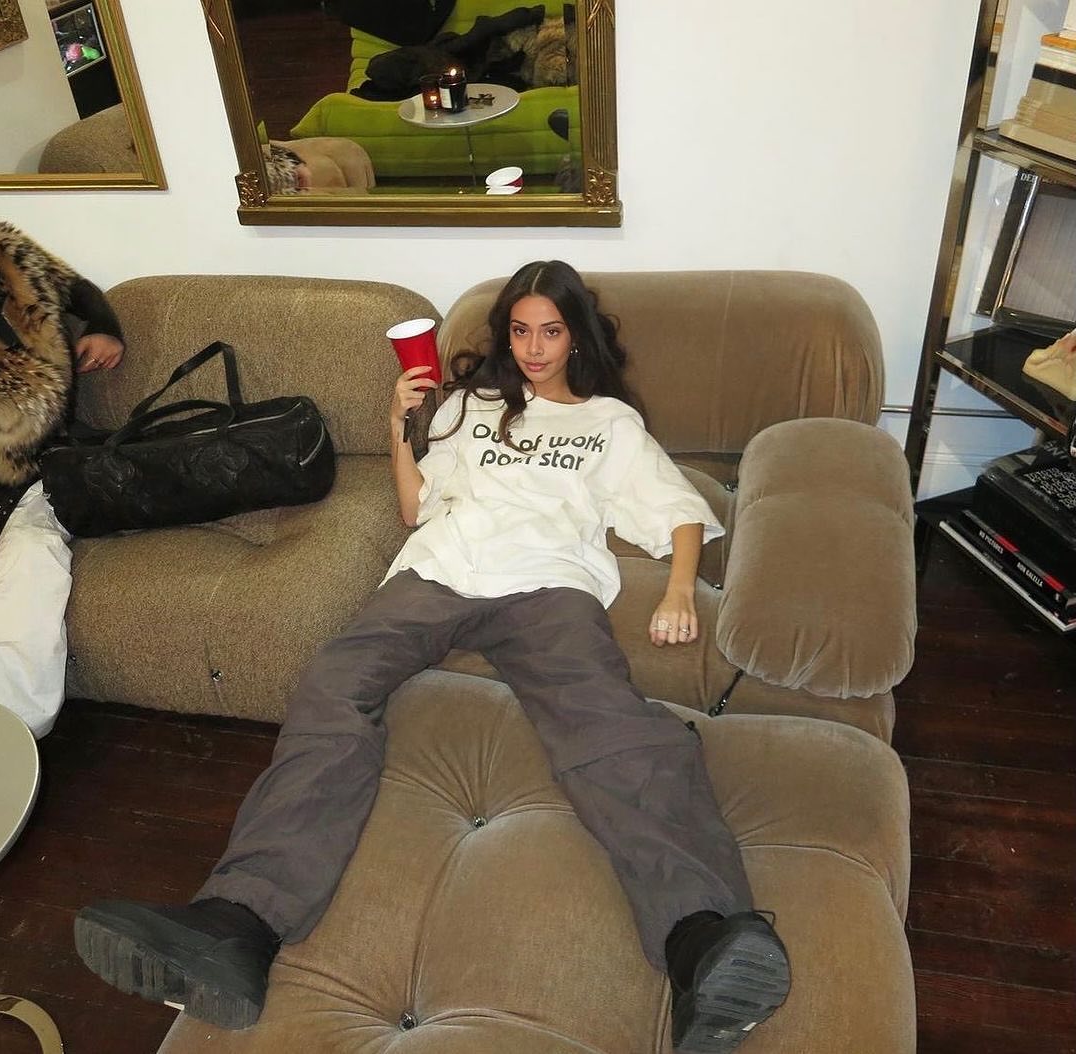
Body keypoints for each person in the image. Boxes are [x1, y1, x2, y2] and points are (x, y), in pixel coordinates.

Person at [74, 260, 791, 1052]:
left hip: (547, 584)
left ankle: (701, 938)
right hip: (437, 571)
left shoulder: (608, 423)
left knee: (607, 725)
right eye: (520, 331)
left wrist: (679, 592)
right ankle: (238, 926)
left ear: (577, 337)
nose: (534, 348)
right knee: (332, 688)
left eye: (551, 331)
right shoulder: (469, 405)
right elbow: (415, 508)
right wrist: (398, 427)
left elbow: (676, 512)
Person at [0, 219, 125, 737]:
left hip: (43, 472)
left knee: (31, 559)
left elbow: (79, 289)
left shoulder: (9, 256)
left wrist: (105, 327)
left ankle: (10, 727)